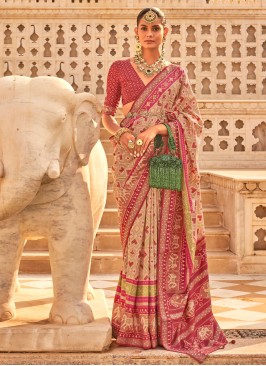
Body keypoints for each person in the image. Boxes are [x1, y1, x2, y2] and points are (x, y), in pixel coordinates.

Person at [101, 7, 227, 362]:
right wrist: (123, 137)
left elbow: (193, 119)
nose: (150, 33)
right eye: (145, 28)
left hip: (167, 161)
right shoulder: (120, 69)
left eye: (156, 28)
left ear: (166, 32)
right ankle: (136, 323)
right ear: (136, 32)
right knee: (136, 240)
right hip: (132, 163)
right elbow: (107, 114)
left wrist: (160, 129)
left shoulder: (176, 74)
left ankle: (168, 319)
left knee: (168, 237)